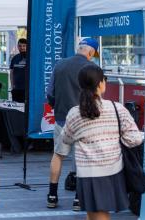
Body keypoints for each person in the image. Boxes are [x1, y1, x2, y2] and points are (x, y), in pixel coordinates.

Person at [61, 64, 143, 219]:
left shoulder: (74, 113)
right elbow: (136, 138)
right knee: (100, 215)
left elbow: (66, 138)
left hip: (86, 173)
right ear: (100, 83)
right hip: (112, 169)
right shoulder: (117, 108)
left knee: (93, 214)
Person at [45, 37, 98, 210]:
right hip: (85, 120)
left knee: (58, 155)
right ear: (90, 52)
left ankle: (52, 195)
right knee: (82, 159)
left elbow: (50, 93)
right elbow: (97, 97)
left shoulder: (59, 65)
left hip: (62, 118)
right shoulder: (92, 68)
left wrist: (58, 107)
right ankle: (78, 199)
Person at [9, 38, 28, 103]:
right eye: (20, 46)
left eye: (24, 46)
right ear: (17, 47)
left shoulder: (31, 58)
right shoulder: (15, 58)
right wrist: (12, 86)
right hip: (16, 89)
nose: (22, 48)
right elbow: (11, 72)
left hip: (27, 90)